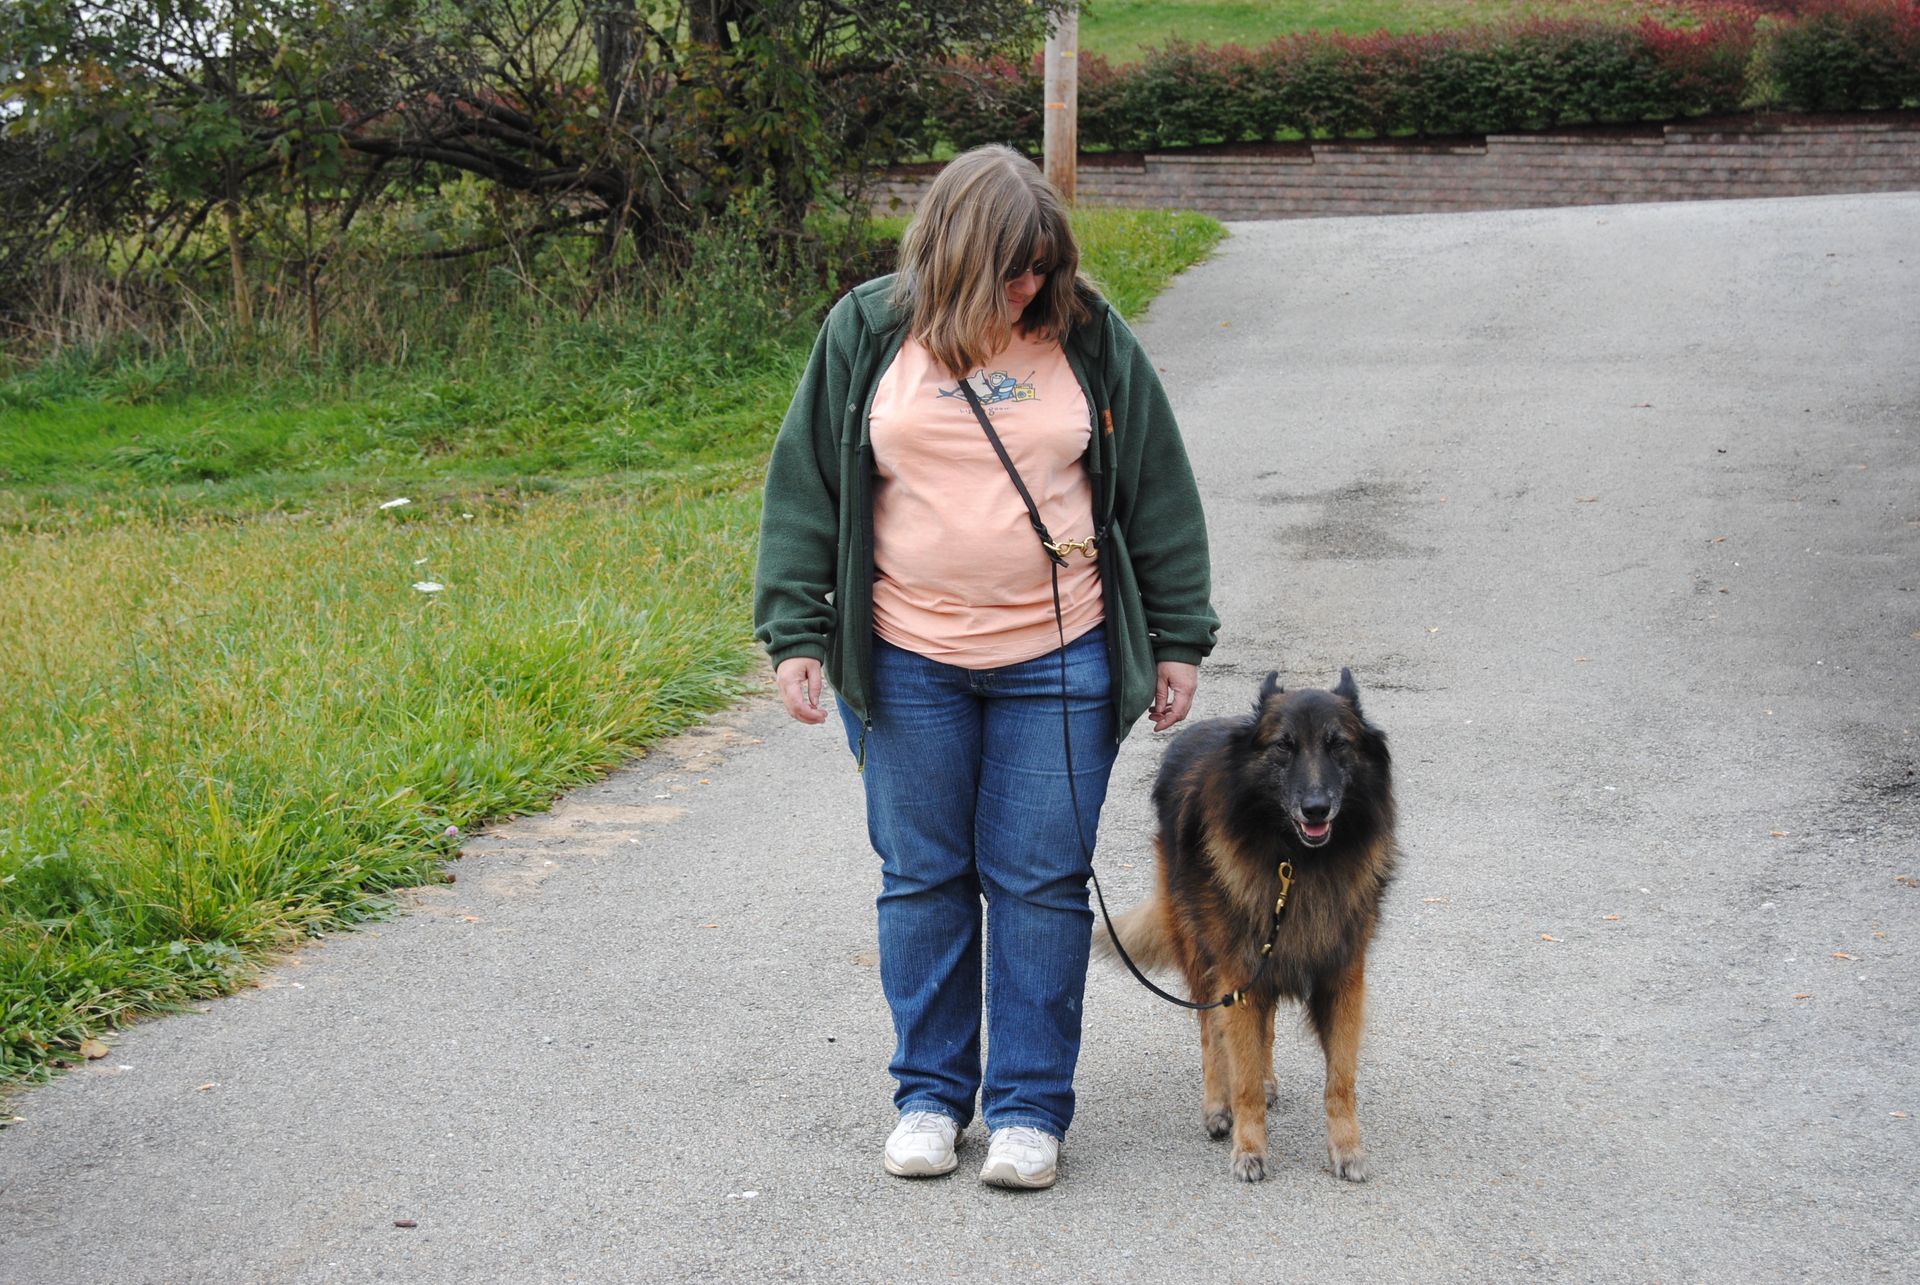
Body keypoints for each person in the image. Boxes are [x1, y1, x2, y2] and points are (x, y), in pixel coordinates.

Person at [752, 144, 1217, 1190]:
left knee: (1041, 884)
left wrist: (1179, 636)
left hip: (1060, 658)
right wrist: (794, 632)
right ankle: (927, 1096)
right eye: (1014, 271)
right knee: (923, 877)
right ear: (956, 261)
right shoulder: (867, 332)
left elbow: (1157, 488)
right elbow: (807, 489)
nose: (1032, 289)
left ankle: (1027, 1109)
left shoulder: (1087, 336)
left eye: (1044, 269)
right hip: (906, 656)